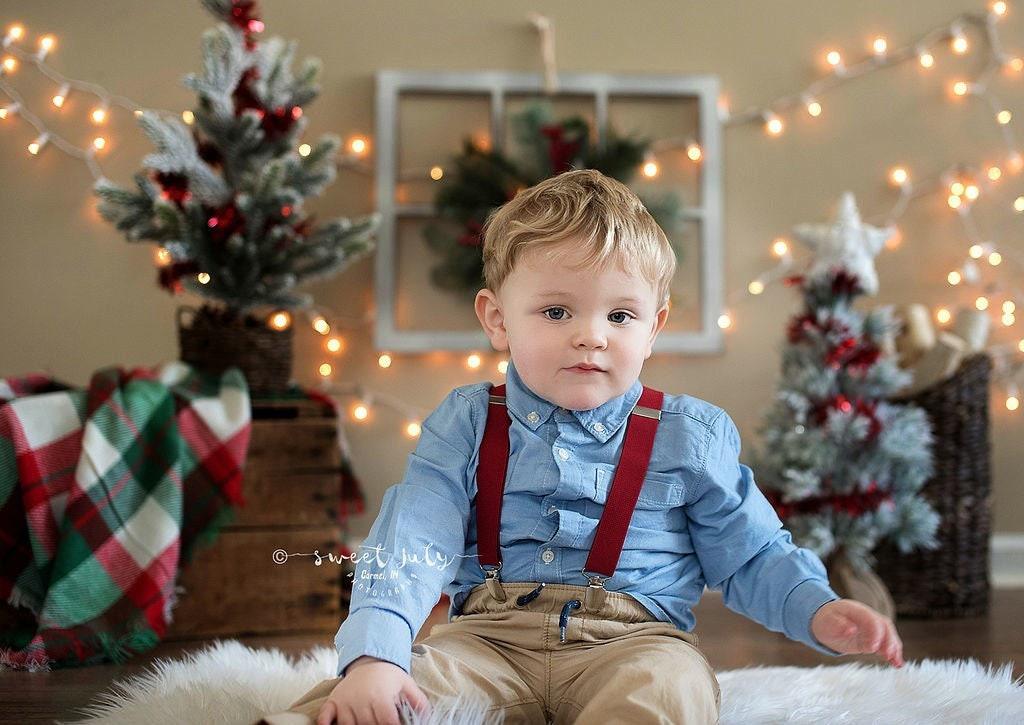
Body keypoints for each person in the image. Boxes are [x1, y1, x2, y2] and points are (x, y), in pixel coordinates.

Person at [259, 169, 904, 725]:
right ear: (496, 319)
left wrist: (817, 609)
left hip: (635, 640)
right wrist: (375, 656)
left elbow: (752, 553)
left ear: (655, 326)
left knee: (667, 690)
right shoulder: (465, 423)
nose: (590, 337)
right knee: (390, 693)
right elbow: (410, 542)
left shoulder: (689, 435)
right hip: (487, 638)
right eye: (557, 312)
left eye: (619, 316)